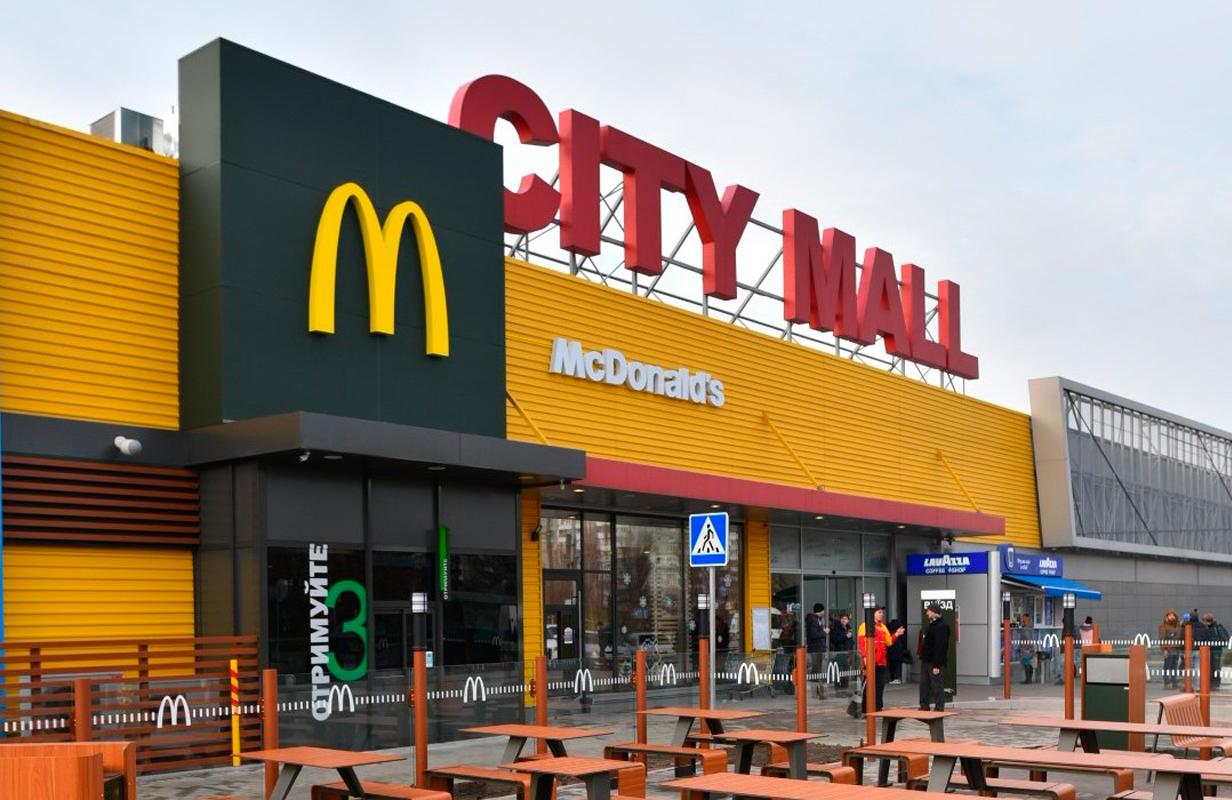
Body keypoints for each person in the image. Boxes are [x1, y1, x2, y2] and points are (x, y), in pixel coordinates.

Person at [857, 606, 905, 714]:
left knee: (879, 685)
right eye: (879, 612)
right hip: (870, 660)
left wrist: (896, 634)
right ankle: (866, 708)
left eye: (882, 612)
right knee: (868, 685)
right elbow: (862, 643)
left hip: (881, 661)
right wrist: (865, 657)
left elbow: (888, 642)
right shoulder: (864, 626)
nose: (881, 614)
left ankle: (878, 707)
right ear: (873, 613)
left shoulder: (883, 626)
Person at [919, 603, 951, 711]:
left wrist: (937, 665)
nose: (927, 613)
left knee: (936, 685)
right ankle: (924, 706)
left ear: (934, 612)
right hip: (926, 659)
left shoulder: (941, 626)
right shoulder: (932, 624)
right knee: (924, 684)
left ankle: (939, 707)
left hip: (934, 661)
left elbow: (941, 647)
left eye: (928, 610)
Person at [804, 602, 828, 699]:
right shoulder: (813, 620)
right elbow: (813, 634)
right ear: (820, 611)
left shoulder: (816, 619)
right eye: (823, 610)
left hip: (817, 648)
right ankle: (818, 692)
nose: (824, 612)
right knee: (818, 670)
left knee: (817, 670)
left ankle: (818, 692)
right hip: (816, 649)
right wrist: (824, 632)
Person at [1201, 613, 1228, 689]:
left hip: (1215, 650)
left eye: (1204, 621)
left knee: (1215, 666)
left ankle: (1215, 683)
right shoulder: (1215, 627)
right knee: (1213, 666)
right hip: (1212, 650)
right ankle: (1213, 683)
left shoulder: (1216, 627)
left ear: (1206, 621)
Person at [1159, 609, 1183, 689]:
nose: (1172, 617)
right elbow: (1162, 639)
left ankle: (1174, 682)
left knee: (1174, 667)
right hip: (1169, 650)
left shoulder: (1178, 625)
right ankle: (1167, 682)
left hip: (1176, 649)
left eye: (1173, 615)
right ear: (1166, 617)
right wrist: (1164, 650)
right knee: (1167, 666)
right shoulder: (1163, 626)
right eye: (1170, 615)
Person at [830, 612, 853, 689]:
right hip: (839, 652)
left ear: (848, 620)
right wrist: (846, 636)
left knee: (846, 669)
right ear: (840, 620)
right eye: (842, 618)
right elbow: (834, 640)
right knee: (839, 669)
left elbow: (850, 640)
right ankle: (837, 686)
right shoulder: (836, 628)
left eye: (845, 619)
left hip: (847, 652)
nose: (844, 620)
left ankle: (845, 686)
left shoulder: (849, 628)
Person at [887, 618, 910, 684]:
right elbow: (903, 640)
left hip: (890, 649)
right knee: (897, 664)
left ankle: (892, 678)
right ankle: (896, 677)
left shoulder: (888, 629)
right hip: (897, 649)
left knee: (891, 665)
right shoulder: (898, 630)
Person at [1017, 613, 1036, 684]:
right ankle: (1029, 679)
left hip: (1026, 648)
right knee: (1028, 662)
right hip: (1028, 647)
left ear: (1027, 618)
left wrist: (1029, 648)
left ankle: (1028, 679)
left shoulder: (1026, 628)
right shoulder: (1028, 626)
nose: (1022, 619)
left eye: (1024, 618)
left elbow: (1027, 638)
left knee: (1026, 662)